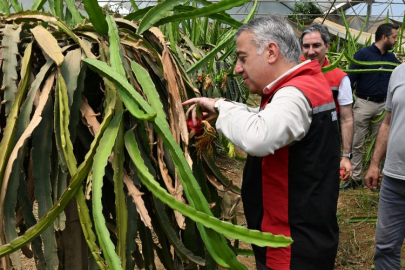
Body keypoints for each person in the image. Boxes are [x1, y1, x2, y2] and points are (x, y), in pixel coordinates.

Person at [183, 16, 340, 270]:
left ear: (271, 52)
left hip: (289, 246)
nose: (236, 68)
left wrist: (221, 106)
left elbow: (258, 137)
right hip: (308, 233)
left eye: (243, 58)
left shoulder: (295, 93)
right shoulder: (306, 84)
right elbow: (273, 119)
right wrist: (229, 109)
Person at [346, 23, 400, 190]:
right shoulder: (362, 54)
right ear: (384, 37)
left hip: (383, 106)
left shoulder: (392, 59)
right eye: (394, 37)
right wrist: (348, 106)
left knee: (380, 144)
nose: (396, 40)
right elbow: (350, 80)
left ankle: (376, 178)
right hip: (363, 103)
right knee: (357, 142)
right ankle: (354, 178)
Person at [300, 23, 354, 182]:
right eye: (306, 46)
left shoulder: (340, 78)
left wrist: (345, 156)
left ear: (327, 46)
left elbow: (347, 118)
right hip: (294, 146)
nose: (311, 51)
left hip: (325, 147)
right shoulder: (291, 71)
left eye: (316, 45)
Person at [365, 63, 405, 269]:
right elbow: (388, 121)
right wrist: (374, 164)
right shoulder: (399, 72)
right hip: (394, 179)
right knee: (385, 247)